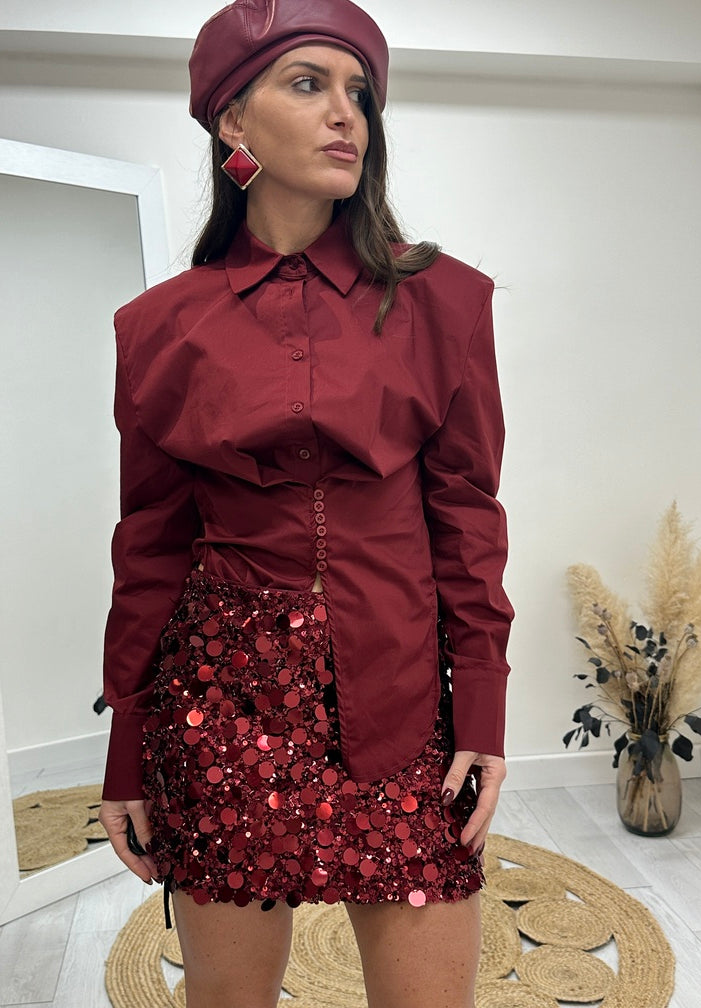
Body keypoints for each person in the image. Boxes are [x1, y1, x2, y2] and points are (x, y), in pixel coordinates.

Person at [98, 1, 514, 1006]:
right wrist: (126, 747)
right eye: (308, 84)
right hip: (219, 714)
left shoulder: (445, 302)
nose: (346, 115)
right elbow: (149, 546)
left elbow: (467, 515)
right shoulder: (158, 330)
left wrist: (484, 701)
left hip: (402, 709)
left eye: (360, 93)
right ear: (233, 121)